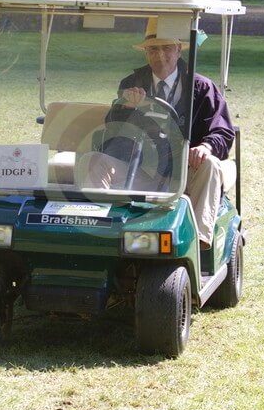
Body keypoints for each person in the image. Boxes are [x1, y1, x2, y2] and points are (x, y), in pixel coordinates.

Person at [77, 17, 235, 250]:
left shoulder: (202, 87)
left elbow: (222, 131)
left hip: (185, 171)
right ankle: (100, 231)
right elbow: (112, 129)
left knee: (210, 164)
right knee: (93, 160)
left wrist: (206, 146)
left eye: (166, 48)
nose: (160, 55)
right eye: (153, 49)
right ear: (146, 53)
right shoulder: (132, 83)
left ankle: (197, 243)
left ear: (178, 49)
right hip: (140, 168)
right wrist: (125, 108)